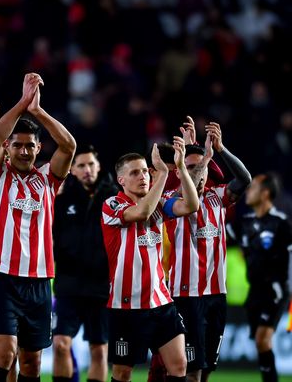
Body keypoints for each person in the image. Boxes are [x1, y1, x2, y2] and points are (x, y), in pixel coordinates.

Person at [0, 73, 76, 382]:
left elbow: (69, 145)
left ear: (38, 149)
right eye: (18, 145)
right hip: (2, 278)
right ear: (9, 148)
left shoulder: (47, 179)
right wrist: (22, 104)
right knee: (4, 355)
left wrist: (37, 112)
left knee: (32, 364)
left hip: (38, 281)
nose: (24, 151)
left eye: (30, 146)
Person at [101, 138, 199, 382]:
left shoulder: (160, 204)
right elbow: (141, 212)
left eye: (146, 170)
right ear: (121, 180)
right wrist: (163, 175)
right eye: (135, 172)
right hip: (126, 306)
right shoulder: (111, 204)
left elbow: (192, 205)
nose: (143, 176)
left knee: (178, 366)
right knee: (123, 373)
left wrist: (181, 168)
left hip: (161, 302)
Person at [163, 122, 251, 382]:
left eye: (200, 167)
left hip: (216, 295)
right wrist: (204, 160)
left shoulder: (217, 197)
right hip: (185, 296)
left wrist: (220, 150)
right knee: (191, 370)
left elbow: (244, 179)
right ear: (179, 172)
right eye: (188, 168)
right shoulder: (170, 199)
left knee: (207, 370)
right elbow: (186, 198)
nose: (196, 172)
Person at [51, 144, 118, 382]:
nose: (87, 169)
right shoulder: (61, 198)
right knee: (60, 344)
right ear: (72, 170)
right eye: (81, 165)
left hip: (101, 287)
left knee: (99, 351)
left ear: (99, 166)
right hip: (68, 284)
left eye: (91, 164)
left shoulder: (114, 197)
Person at [237, 173, 292, 382]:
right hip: (255, 292)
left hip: (275, 290)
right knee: (260, 345)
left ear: (265, 193)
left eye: (253, 188)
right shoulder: (246, 223)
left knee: (262, 339)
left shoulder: (280, 223)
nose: (248, 192)